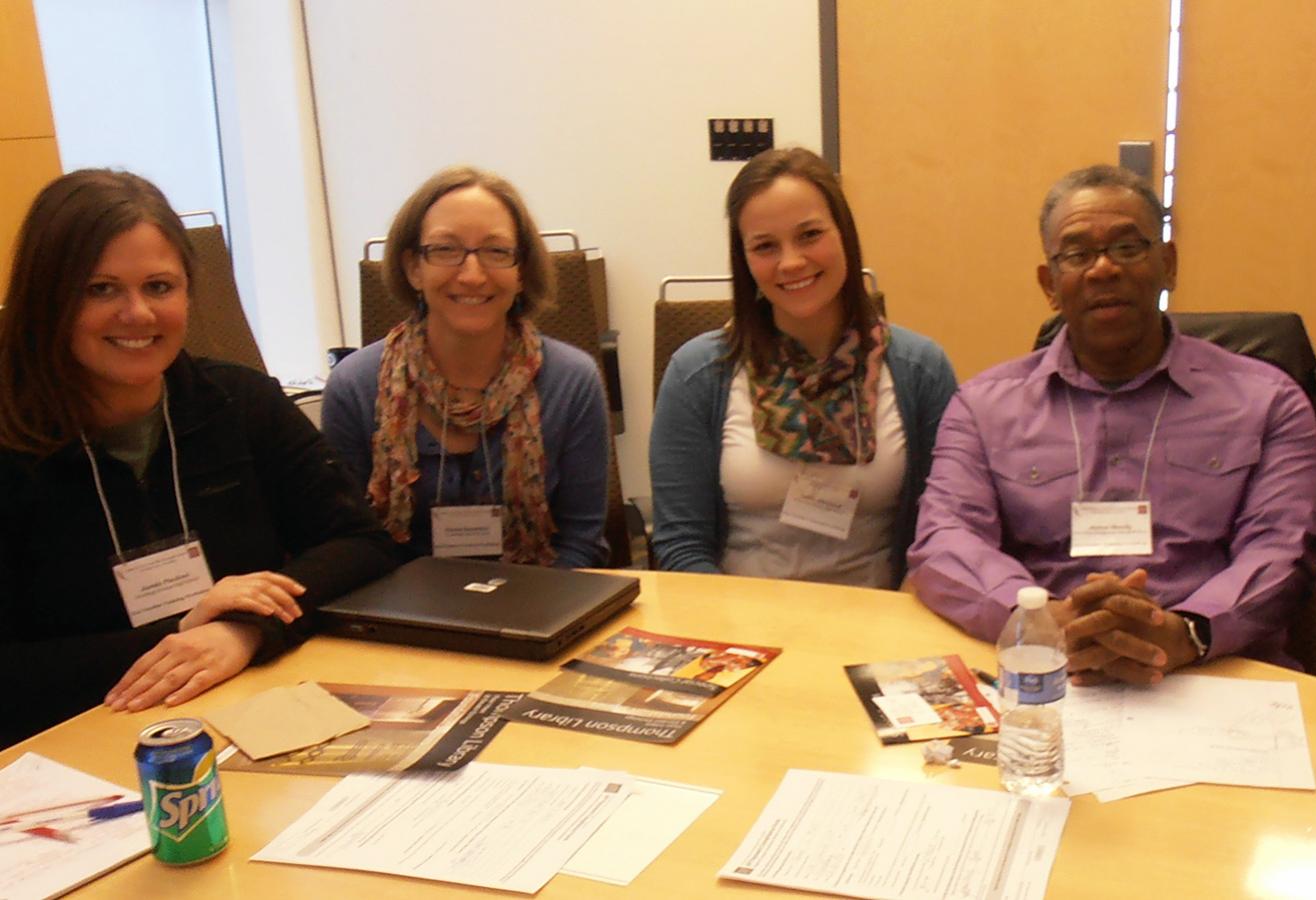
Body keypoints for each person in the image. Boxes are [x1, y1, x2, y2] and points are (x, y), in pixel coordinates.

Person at [0, 170, 401, 746]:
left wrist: (245, 629)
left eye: (160, 286)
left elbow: (361, 544)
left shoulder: (240, 403)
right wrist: (186, 631)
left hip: (248, 719)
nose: (137, 313)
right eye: (100, 289)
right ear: (46, 299)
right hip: (73, 755)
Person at [907, 165, 1316, 684]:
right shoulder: (982, 408)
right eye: (1077, 254)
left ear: (1168, 264)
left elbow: (1282, 550)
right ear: (1050, 286)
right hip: (1042, 671)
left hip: (1214, 672)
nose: (1103, 269)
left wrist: (1187, 631)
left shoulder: (1270, 401)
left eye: (1128, 248)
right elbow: (944, 539)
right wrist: (1040, 620)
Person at [649, 147, 957, 588]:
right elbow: (681, 547)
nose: (791, 262)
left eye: (810, 235)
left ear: (844, 235)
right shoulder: (697, 374)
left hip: (883, 630)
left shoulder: (921, 371)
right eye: (765, 246)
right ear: (745, 260)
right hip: (738, 630)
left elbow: (942, 534)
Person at [323, 166, 610, 567]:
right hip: (402, 614)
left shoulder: (573, 381)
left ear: (521, 270)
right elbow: (346, 544)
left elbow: (582, 541)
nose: (472, 275)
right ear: (413, 268)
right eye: (445, 249)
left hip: (541, 607)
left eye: (496, 251)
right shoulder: (354, 386)